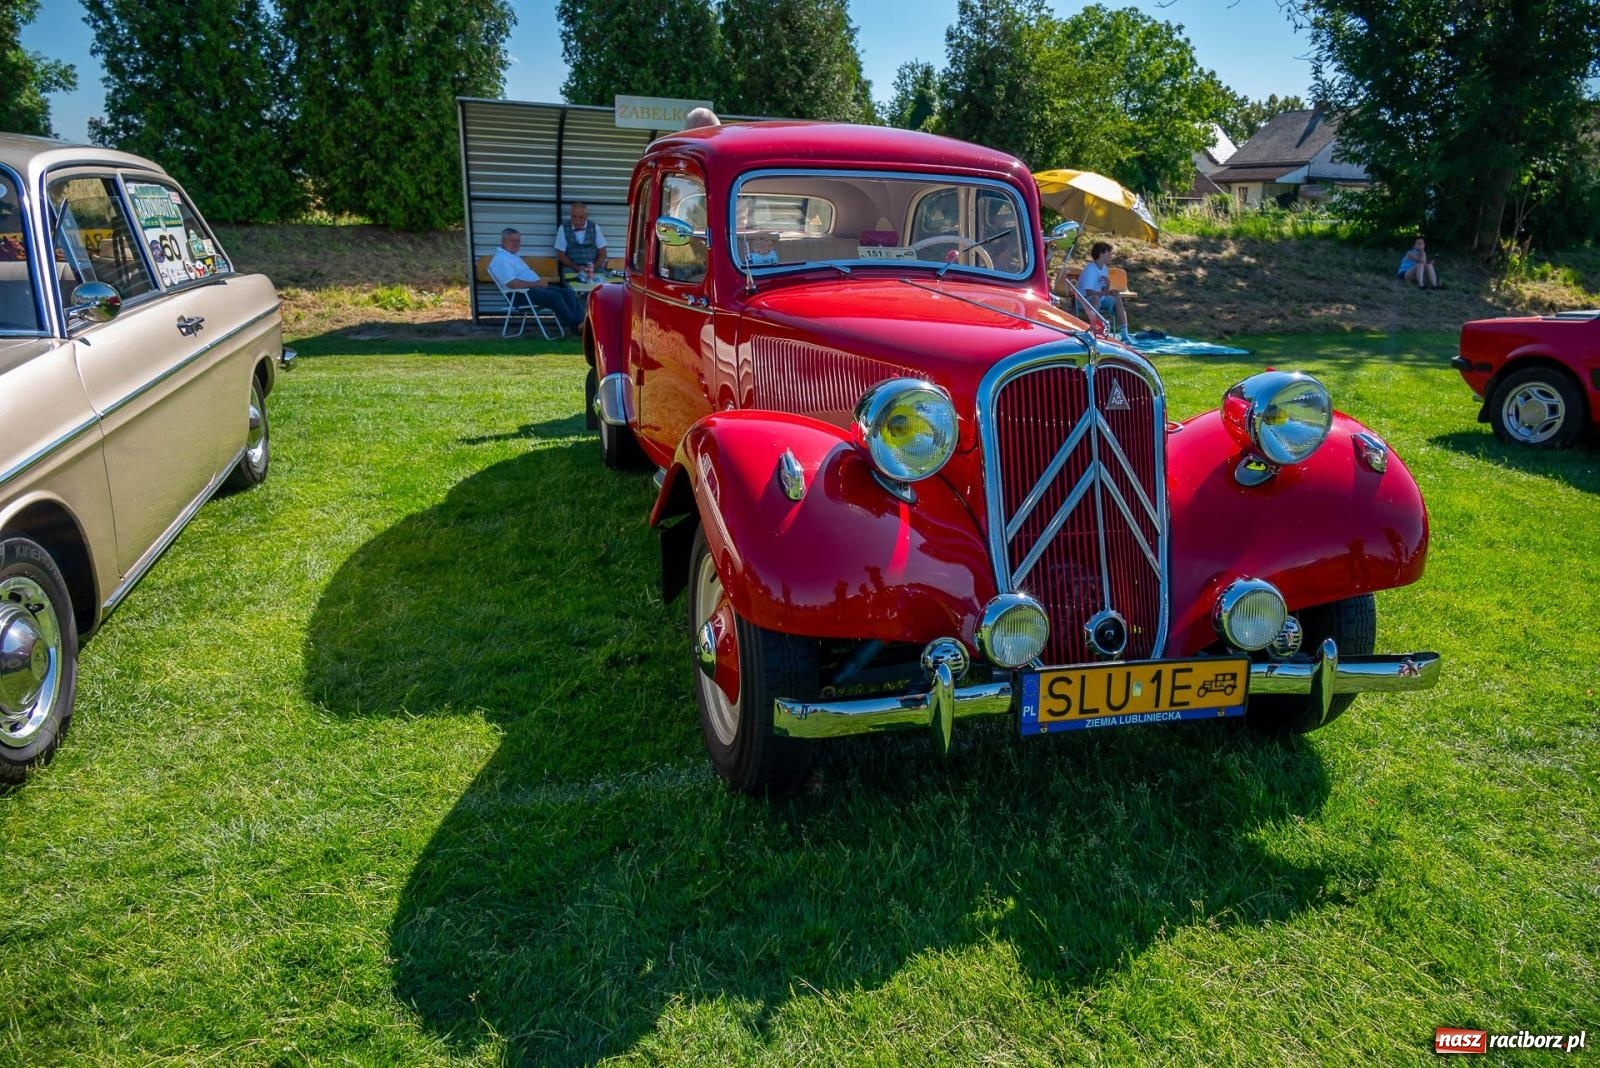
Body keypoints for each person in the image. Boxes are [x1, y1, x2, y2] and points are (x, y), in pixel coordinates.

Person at [488, 228, 584, 331]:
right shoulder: (501, 259)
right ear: (503, 242)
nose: (516, 244)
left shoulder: (511, 256)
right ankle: (576, 327)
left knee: (567, 293)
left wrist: (538, 283)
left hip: (532, 290)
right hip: (519, 295)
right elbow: (513, 284)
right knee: (555, 297)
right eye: (512, 241)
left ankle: (583, 323)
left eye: (518, 241)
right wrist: (537, 284)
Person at [1077, 241, 1132, 341]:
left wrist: (1108, 285)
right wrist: (1103, 293)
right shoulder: (1090, 269)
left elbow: (1104, 291)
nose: (1111, 256)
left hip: (1099, 298)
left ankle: (1125, 333)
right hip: (1085, 300)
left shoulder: (1105, 269)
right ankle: (1095, 330)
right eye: (1109, 253)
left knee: (1116, 296)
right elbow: (1088, 292)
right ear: (1101, 253)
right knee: (1095, 298)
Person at [553, 202, 606, 282]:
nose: (577, 220)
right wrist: (576, 267)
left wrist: (592, 268)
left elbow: (603, 253)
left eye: (581, 217)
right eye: (574, 216)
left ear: (586, 217)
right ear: (570, 216)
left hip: (594, 267)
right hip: (571, 267)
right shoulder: (563, 228)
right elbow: (561, 254)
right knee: (570, 286)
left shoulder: (595, 227)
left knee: (602, 286)